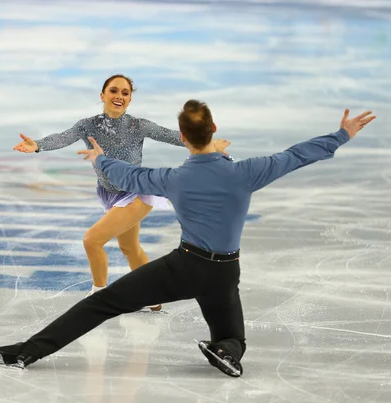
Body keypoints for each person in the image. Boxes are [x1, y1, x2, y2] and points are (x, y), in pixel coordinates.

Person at [0, 100, 375, 377]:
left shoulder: (174, 178)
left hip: (184, 267)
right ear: (214, 132)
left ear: (184, 139)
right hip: (225, 271)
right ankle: (225, 351)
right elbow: (296, 155)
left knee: (103, 304)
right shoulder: (247, 172)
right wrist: (341, 134)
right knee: (231, 335)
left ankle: (26, 353)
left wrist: (100, 159)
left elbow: (128, 177)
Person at [12, 74, 231, 310]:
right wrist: (38, 145)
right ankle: (154, 298)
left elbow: (178, 138)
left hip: (136, 193)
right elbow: (63, 137)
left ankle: (99, 295)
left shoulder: (139, 126)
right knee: (130, 248)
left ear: (129, 99)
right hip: (109, 194)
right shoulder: (87, 125)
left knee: (91, 240)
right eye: (114, 91)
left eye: (125, 93)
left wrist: (209, 144)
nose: (119, 96)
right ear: (102, 95)